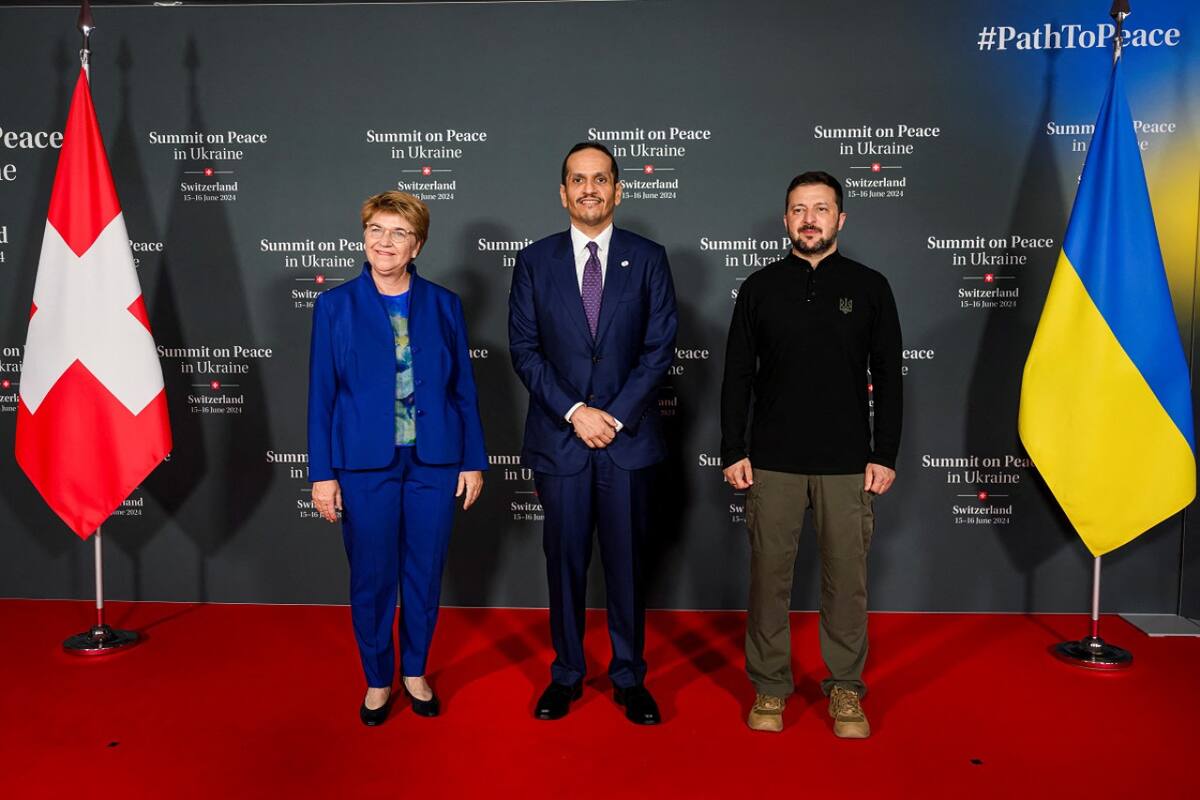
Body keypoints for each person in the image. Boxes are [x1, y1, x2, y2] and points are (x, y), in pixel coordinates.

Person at [720, 171, 902, 738]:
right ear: (786, 220)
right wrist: (734, 448)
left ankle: (846, 688)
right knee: (768, 579)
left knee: (846, 581)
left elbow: (890, 379)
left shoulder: (871, 286)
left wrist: (885, 452)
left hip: (847, 462)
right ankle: (770, 688)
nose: (809, 219)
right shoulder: (759, 287)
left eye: (821, 209)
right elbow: (737, 377)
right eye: (799, 209)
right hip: (772, 459)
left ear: (840, 219)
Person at [508, 142, 678, 725]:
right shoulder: (534, 262)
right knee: (564, 561)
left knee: (628, 563)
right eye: (577, 180)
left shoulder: (648, 257)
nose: (589, 189)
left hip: (627, 443)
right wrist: (577, 411)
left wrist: (614, 415)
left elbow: (658, 350)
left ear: (618, 189)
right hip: (561, 442)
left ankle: (630, 676)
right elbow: (525, 353)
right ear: (562, 192)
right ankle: (568, 674)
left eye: (600, 179)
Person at [307, 191, 487, 726]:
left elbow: (463, 390)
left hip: (434, 461)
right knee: (371, 575)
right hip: (364, 465)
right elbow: (322, 394)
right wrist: (323, 473)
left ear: (418, 244)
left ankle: (415, 670)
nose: (385, 242)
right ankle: (378, 678)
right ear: (364, 236)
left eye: (399, 233)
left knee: (424, 573)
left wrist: (471, 459)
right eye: (377, 230)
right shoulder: (335, 306)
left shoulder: (443, 303)